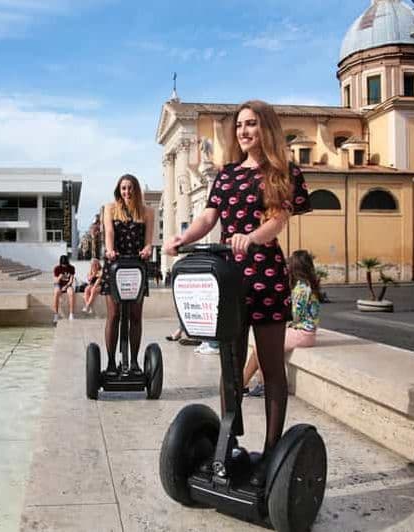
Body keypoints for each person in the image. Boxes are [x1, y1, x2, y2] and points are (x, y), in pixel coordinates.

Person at [163, 100, 311, 487]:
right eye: (241, 125)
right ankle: (229, 445)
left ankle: (272, 451)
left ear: (267, 129)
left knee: (271, 365)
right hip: (229, 277)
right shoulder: (227, 174)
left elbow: (278, 219)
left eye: (252, 124)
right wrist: (184, 238)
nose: (244, 131)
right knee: (230, 366)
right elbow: (209, 216)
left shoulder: (283, 171)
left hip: (265, 275)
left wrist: (252, 237)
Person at [244, 249, 321, 397]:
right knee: (260, 346)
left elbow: (294, 316)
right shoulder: (307, 285)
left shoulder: (301, 290)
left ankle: (262, 384)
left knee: (263, 346)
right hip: (303, 332)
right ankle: (244, 384)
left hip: (303, 334)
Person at [100, 173, 154, 374]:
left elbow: (148, 239)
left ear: (136, 190)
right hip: (115, 265)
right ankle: (112, 363)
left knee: (135, 316)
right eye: (123, 188)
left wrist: (148, 249)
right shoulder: (110, 209)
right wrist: (110, 250)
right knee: (113, 316)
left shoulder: (147, 211)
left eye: (130, 188)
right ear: (118, 190)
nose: (127, 192)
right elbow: (109, 233)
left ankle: (134, 363)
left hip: (136, 266)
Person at [52, 254, 76, 322]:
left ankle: (71, 314)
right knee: (56, 293)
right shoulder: (57, 268)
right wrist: (59, 277)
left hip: (67, 285)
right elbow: (55, 281)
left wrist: (66, 286)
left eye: (65, 264)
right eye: (63, 264)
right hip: (58, 285)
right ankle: (56, 314)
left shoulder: (71, 268)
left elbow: (71, 280)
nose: (64, 266)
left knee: (71, 293)